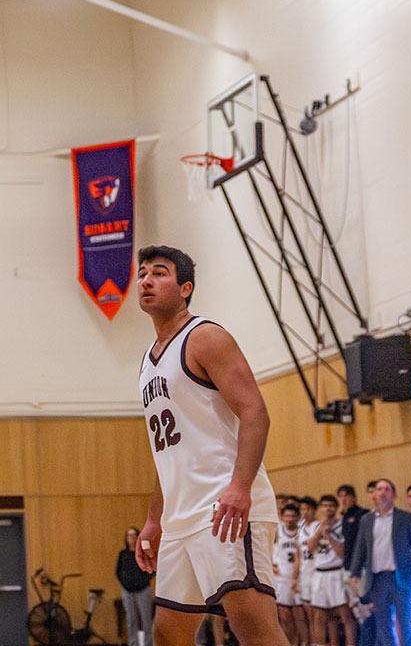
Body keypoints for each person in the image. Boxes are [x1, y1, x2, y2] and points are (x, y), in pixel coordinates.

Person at [132, 244, 292, 646]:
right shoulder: (148, 360)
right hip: (181, 518)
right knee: (168, 633)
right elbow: (169, 453)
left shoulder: (205, 337)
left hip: (225, 508)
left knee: (254, 629)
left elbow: (256, 414)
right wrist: (155, 519)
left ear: (185, 288)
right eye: (143, 273)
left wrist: (239, 490)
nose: (146, 279)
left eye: (160, 273)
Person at [344, 479, 411, 646]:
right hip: (377, 578)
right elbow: (360, 548)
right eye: (379, 489)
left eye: (387, 489)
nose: (382, 492)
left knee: (405, 622)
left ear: (394, 494)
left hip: (401, 576)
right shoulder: (367, 520)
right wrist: (354, 573)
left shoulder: (405, 518)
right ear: (374, 495)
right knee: (383, 624)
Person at [302, 496, 352, 646]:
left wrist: (329, 534)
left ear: (336, 508)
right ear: (320, 508)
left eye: (331, 505)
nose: (328, 508)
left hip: (337, 572)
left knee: (344, 615)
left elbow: (342, 553)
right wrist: (319, 532)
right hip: (319, 573)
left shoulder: (342, 525)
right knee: (320, 615)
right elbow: (309, 549)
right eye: (325, 505)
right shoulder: (314, 526)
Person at [274, 499, 306, 645]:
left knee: (300, 616)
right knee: (285, 617)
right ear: (282, 517)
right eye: (287, 516)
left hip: (299, 577)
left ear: (298, 517)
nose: (289, 519)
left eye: (293, 516)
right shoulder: (278, 529)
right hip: (282, 577)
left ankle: (303, 643)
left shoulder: (303, 529)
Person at [117, 527, 154, 646]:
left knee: (146, 619)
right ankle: (133, 643)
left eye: (133, 535)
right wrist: (125, 584)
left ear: (138, 537)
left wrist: (142, 582)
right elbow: (118, 572)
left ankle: (148, 643)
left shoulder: (143, 554)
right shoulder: (123, 554)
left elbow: (151, 570)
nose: (131, 538)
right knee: (131, 620)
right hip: (127, 591)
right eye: (129, 535)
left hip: (143, 590)